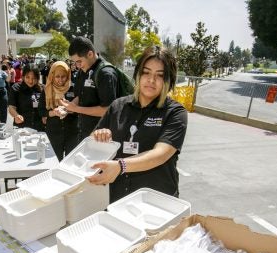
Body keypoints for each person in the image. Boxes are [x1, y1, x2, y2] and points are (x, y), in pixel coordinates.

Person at [87, 46, 188, 203]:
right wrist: (99, 136)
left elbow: (161, 154)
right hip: (119, 200)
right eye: (146, 72)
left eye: (159, 75)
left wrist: (120, 166)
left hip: (158, 202)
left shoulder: (175, 112)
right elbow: (92, 141)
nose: (151, 80)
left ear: (168, 80)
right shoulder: (117, 106)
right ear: (138, 74)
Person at [59, 36, 118, 140]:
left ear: (90, 54)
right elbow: (80, 96)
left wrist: (77, 109)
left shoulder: (106, 73)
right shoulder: (83, 70)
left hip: (101, 136)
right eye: (75, 62)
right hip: (83, 132)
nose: (77, 66)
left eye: (79, 61)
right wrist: (69, 107)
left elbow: (107, 110)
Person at [38, 61, 78, 160]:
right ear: (52, 75)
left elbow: (81, 109)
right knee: (55, 161)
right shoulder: (47, 90)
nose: (60, 79)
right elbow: (41, 111)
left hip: (72, 131)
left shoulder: (73, 88)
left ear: (68, 75)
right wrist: (53, 112)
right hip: (54, 131)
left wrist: (71, 109)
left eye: (63, 76)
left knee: (70, 162)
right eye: (57, 76)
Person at [8, 64, 44, 131]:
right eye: (27, 77)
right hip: (22, 127)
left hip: (39, 127)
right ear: (23, 76)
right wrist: (16, 115)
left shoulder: (42, 89)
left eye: (34, 78)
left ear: (38, 78)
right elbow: (11, 107)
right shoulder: (16, 88)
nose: (30, 81)